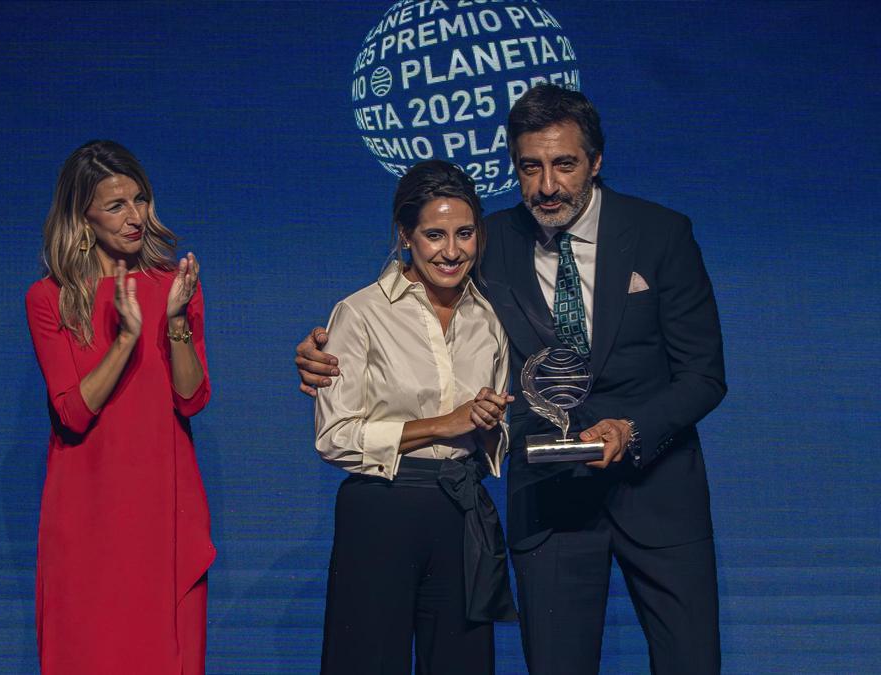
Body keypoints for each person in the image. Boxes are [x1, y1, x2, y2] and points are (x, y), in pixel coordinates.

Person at [298, 84, 726, 675]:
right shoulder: (487, 240)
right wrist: (325, 350)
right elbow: (412, 287)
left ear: (596, 162)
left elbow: (704, 374)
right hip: (550, 509)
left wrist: (632, 428)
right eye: (530, 167)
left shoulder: (662, 234)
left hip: (659, 495)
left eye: (564, 164)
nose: (547, 185)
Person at [315, 160, 517, 674]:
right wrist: (442, 424)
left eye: (465, 233)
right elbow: (334, 437)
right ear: (405, 235)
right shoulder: (359, 313)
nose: (452, 251)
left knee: (462, 663)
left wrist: (490, 424)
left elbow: (492, 433)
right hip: (381, 508)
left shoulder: (489, 319)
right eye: (434, 235)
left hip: (461, 508)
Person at [25, 140, 215, 674]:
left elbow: (191, 397)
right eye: (116, 206)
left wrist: (175, 321)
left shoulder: (177, 285)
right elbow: (72, 412)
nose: (135, 217)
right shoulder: (49, 298)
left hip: (164, 510)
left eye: (140, 200)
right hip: (88, 515)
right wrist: (126, 339)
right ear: (82, 215)